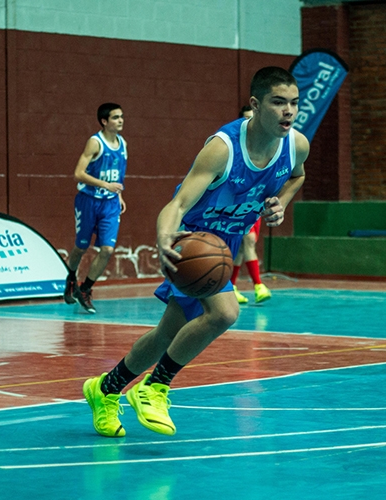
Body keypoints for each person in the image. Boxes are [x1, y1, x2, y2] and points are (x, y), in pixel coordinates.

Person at [82, 67, 308, 437]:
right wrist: (164, 237)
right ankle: (155, 387)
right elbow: (178, 203)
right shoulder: (223, 148)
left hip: (225, 245)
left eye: (294, 103)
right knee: (225, 312)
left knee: (164, 337)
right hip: (196, 244)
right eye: (278, 102)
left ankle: (104, 389)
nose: (288, 111)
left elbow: (298, 175)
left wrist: (280, 202)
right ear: (255, 105)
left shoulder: (296, 144)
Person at [62, 103, 127, 314]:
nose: (121, 120)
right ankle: (71, 277)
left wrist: (118, 194)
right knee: (81, 248)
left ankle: (86, 288)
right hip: (88, 200)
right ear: (104, 121)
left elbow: (116, 175)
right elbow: (78, 174)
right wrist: (105, 185)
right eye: (116, 117)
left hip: (110, 203)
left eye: (121, 117)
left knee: (107, 249)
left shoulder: (123, 144)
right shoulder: (95, 143)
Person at [231, 105, 272, 305]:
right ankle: (258, 285)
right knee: (247, 241)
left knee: (243, 248)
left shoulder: (269, 147)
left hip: (256, 205)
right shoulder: (235, 149)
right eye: (247, 118)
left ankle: (231, 287)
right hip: (238, 205)